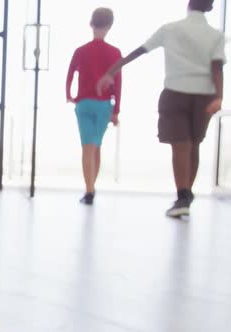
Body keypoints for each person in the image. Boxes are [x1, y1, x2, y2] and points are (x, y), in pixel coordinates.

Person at [97, 0, 225, 218]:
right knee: (194, 144)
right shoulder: (215, 35)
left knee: (180, 145)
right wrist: (219, 97)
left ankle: (182, 195)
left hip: (175, 92)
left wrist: (111, 72)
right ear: (211, 8)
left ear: (189, 4)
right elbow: (216, 67)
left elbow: (140, 51)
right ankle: (186, 196)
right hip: (205, 96)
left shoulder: (170, 29)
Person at [66, 7, 122, 205]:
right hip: (104, 105)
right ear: (109, 26)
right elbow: (118, 82)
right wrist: (116, 111)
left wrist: (69, 95)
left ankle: (89, 189)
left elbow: (70, 73)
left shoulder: (81, 51)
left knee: (88, 148)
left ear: (91, 24)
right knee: (96, 147)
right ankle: (91, 188)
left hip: (84, 104)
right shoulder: (115, 52)